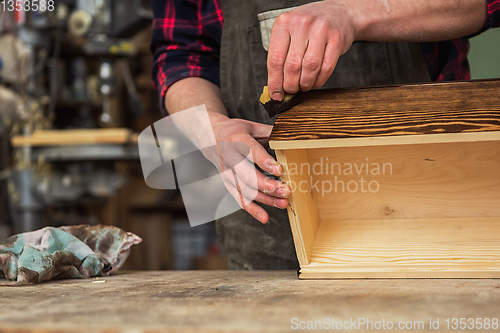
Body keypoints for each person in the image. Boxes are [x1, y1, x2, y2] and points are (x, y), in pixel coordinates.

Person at [150, 0, 500, 269]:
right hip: (268, 227)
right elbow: (181, 54)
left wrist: (354, 12)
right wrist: (212, 129)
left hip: (433, 210)